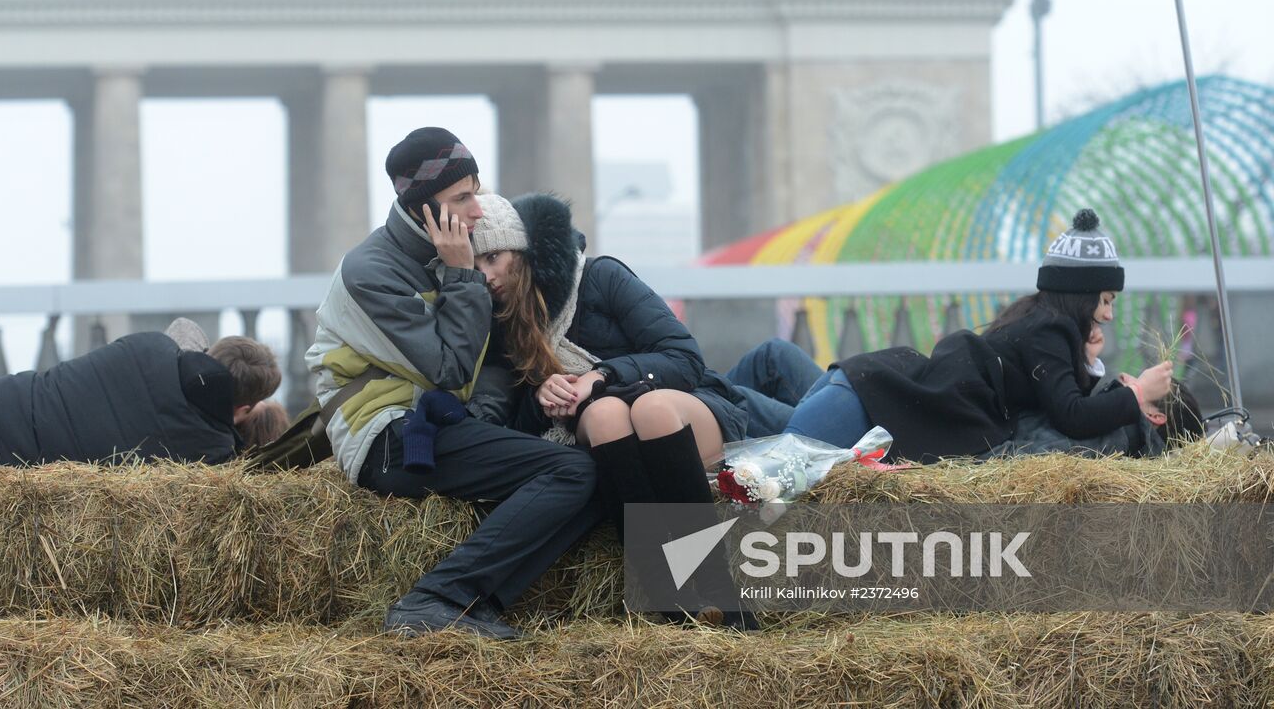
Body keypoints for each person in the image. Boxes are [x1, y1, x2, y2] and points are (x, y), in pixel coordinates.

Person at [304, 127, 601, 642]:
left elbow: (485, 359)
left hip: (438, 423)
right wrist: (464, 276)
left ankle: (472, 607)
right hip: (387, 437)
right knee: (573, 472)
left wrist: (497, 416)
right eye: (462, 197)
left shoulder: (447, 250)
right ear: (423, 207)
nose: (478, 210)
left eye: (477, 191)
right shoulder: (371, 271)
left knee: (599, 474)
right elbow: (450, 369)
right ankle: (436, 598)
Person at [469, 192, 756, 628]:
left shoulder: (601, 276)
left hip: (679, 411)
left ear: (522, 253)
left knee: (649, 409)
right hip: (607, 439)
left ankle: (719, 590)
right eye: (474, 266)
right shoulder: (499, 327)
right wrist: (542, 397)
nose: (486, 275)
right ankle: (666, 599)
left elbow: (683, 357)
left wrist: (601, 376)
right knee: (605, 415)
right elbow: (516, 428)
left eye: (493, 256)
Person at [782, 210, 1179, 463]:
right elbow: (1070, 415)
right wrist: (1137, 394)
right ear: (1082, 295)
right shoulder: (1049, 329)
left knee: (759, 444)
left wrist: (1088, 365)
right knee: (764, 472)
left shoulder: (1038, 320)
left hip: (866, 391)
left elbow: (1047, 397)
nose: (1109, 314)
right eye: (1106, 300)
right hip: (867, 404)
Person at [0, 318, 280, 465]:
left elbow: (184, 328)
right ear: (244, 409)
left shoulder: (149, 346)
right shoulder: (210, 453)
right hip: (2, 455)